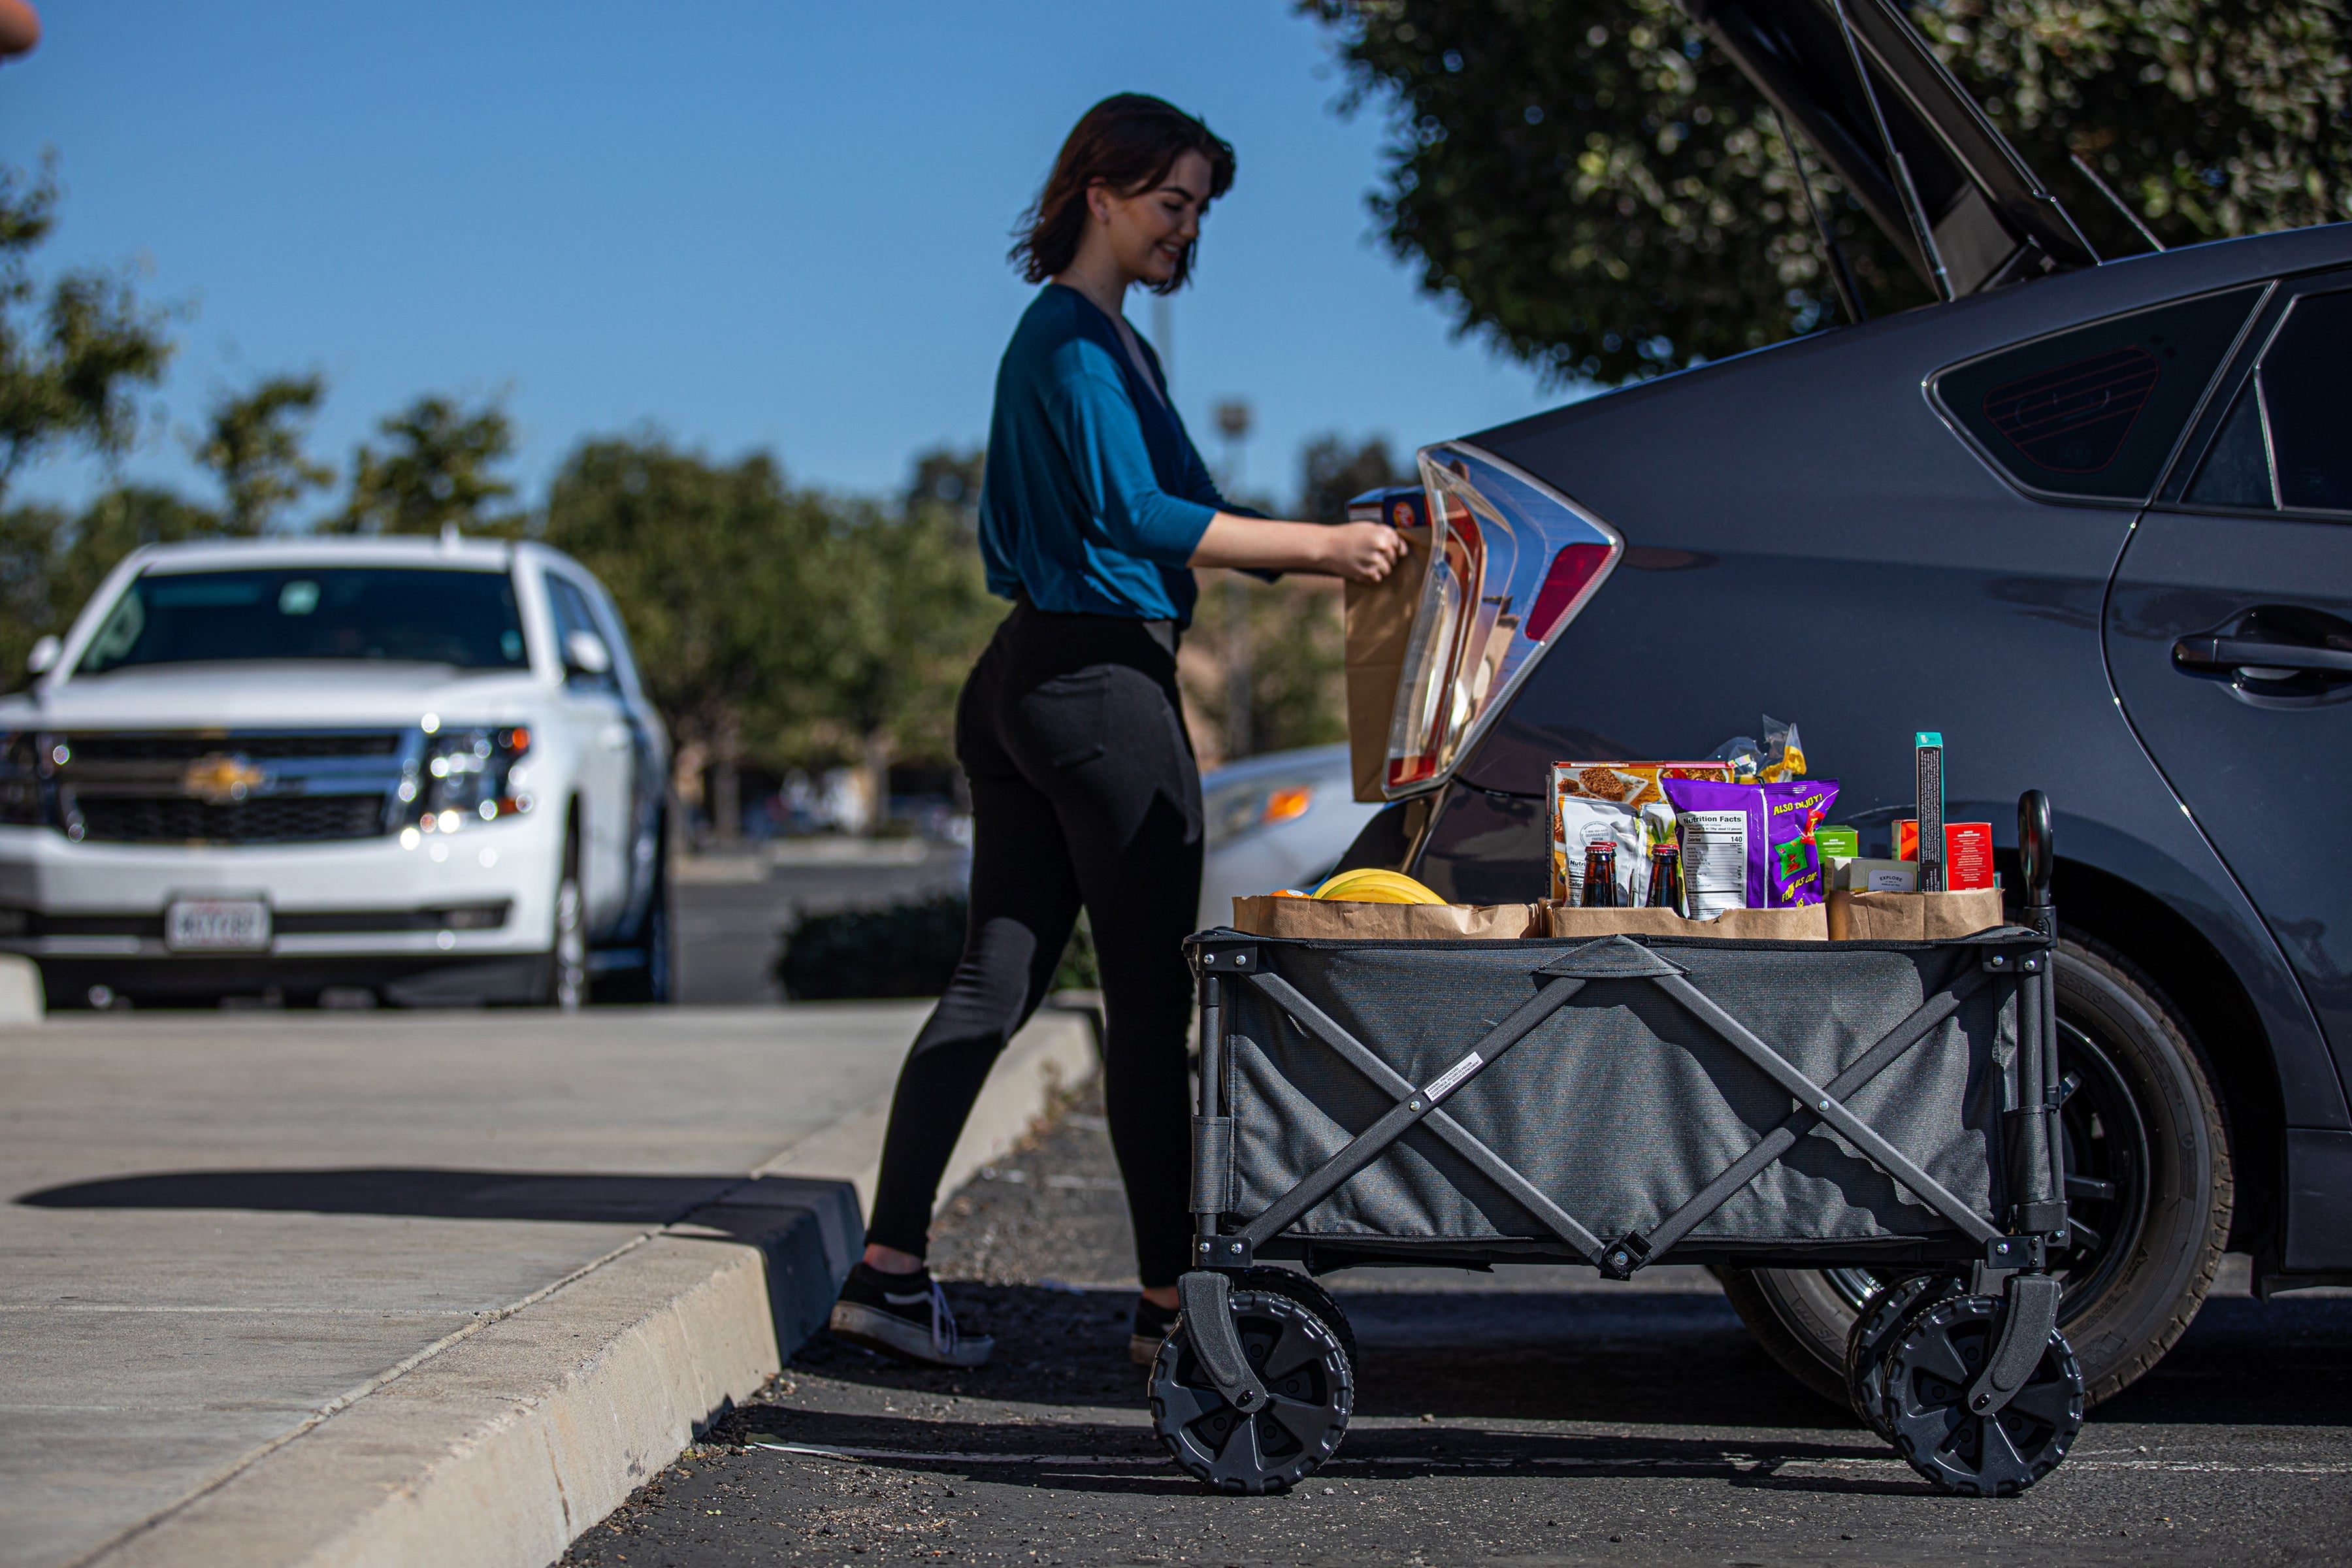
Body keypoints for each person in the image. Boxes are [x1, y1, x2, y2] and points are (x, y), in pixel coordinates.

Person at [828, 93, 1409, 1367]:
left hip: (1029, 675)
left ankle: (886, 1272)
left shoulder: (1105, 349)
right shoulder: (1078, 347)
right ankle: (1169, 1319)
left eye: (1198, 213)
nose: (1185, 233)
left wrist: (1334, 535)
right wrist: (1324, 548)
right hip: (1098, 686)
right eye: (1169, 205)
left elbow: (1194, 507)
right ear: (1101, 191)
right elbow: (1143, 513)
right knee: (1153, 1011)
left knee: (997, 981)